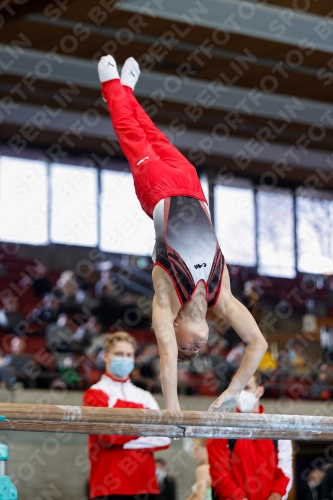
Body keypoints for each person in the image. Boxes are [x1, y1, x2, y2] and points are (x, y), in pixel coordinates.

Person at [98, 55, 267, 411]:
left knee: (133, 136)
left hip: (158, 191)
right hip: (193, 188)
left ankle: (112, 88)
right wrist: (233, 391)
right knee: (155, 135)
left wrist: (172, 410)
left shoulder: (167, 300)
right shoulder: (223, 298)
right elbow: (258, 345)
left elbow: (167, 356)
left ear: (174, 328)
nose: (195, 348)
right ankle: (128, 93)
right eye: (198, 349)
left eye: (187, 348)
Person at [83, 331, 170, 500]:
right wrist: (145, 426)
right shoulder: (94, 393)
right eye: (119, 354)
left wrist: (122, 436)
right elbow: (107, 437)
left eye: (129, 355)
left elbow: (165, 438)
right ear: (106, 356)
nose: (124, 358)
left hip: (146, 484)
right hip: (108, 485)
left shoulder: (144, 396)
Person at [207, 372, 293, 500]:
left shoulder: (278, 429)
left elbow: (284, 473)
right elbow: (219, 475)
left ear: (260, 391)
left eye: (246, 388)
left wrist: (275, 496)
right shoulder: (221, 428)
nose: (241, 394)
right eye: (237, 390)